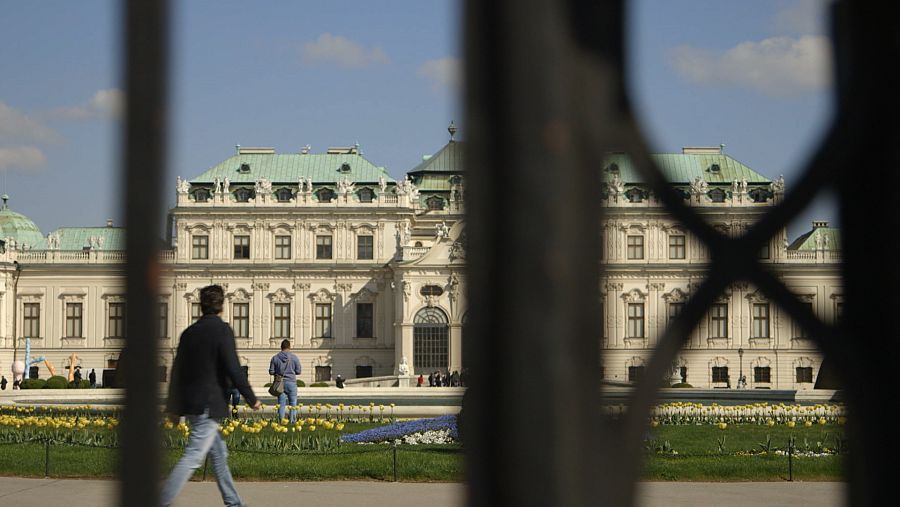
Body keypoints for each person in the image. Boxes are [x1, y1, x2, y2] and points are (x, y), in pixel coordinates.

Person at [161, 285, 261, 507]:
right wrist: (251, 398)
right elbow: (233, 367)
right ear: (222, 306)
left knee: (218, 455)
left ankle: (234, 502)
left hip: (193, 404)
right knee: (194, 456)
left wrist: (174, 408)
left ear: (201, 306)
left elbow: (177, 371)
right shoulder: (222, 330)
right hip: (208, 403)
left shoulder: (188, 333)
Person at [269, 339, 301, 423]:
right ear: (289, 347)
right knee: (293, 404)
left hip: (280, 383)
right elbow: (298, 371)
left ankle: (281, 421)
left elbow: (271, 371)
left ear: (281, 347)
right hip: (291, 382)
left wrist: (277, 372)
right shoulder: (294, 357)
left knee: (281, 404)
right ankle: (292, 422)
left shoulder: (275, 358)